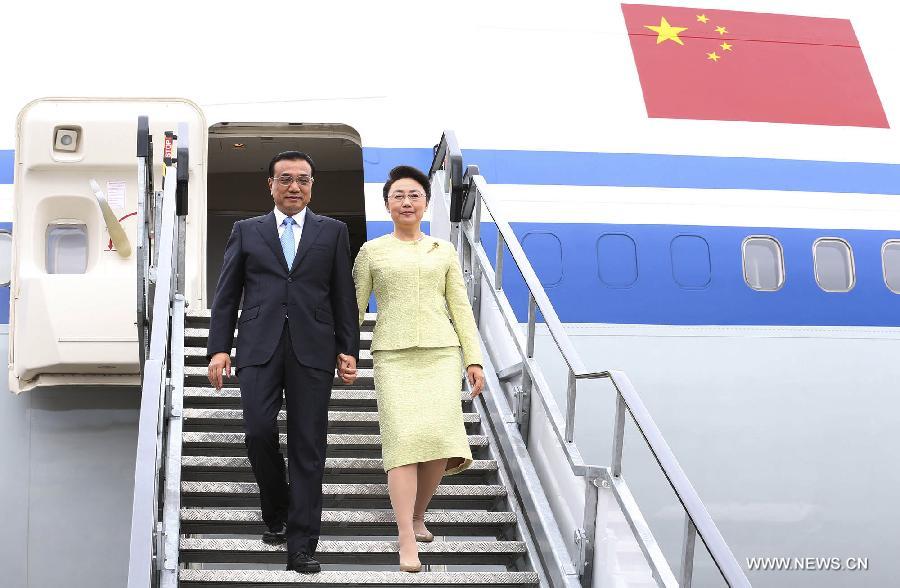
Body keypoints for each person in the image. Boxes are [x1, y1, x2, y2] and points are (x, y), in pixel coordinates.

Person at [206, 151, 359, 574]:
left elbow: (343, 294)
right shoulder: (246, 230)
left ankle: (302, 546)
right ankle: (277, 510)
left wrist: (348, 348)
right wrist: (219, 348)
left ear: (312, 186)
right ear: (270, 185)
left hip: (314, 347)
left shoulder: (333, 231)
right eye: (286, 179)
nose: (295, 186)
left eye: (303, 180)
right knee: (258, 432)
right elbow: (227, 294)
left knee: (308, 446)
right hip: (259, 346)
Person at [350, 165, 486, 572]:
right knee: (403, 443)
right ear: (387, 204)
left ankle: (417, 514)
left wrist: (473, 358)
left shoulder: (443, 251)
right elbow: (354, 308)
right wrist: (345, 351)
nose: (406, 202)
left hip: (440, 353)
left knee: (438, 444)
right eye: (398, 196)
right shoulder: (371, 252)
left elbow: (460, 307)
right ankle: (405, 538)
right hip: (393, 355)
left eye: (414, 196)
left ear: (426, 204)